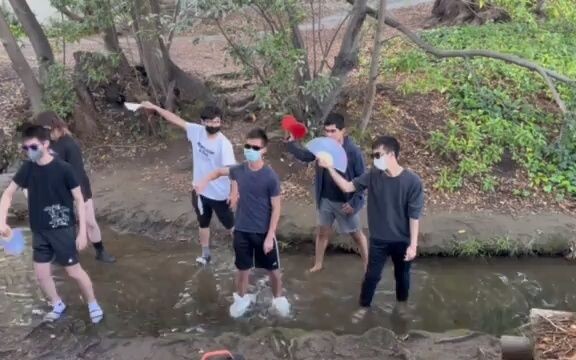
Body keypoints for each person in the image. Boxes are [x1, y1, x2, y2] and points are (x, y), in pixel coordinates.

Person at [0, 125, 104, 323]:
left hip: (63, 228)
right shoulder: (27, 168)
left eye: (33, 147)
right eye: (25, 148)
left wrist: (82, 232)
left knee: (73, 271)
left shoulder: (63, 169)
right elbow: (8, 193)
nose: (28, 152)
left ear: (46, 144)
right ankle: (57, 303)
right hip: (40, 230)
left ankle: (92, 303)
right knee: (41, 274)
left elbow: (79, 200)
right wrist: (2, 220)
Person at [317, 135, 424, 321]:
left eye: (377, 155)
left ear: (391, 155)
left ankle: (402, 306)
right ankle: (364, 307)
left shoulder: (412, 182)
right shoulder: (374, 175)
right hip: (379, 239)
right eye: (373, 155)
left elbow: (414, 216)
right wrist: (330, 168)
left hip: (402, 239)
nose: (374, 159)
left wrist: (413, 245)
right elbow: (348, 187)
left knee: (403, 276)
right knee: (372, 276)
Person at [195, 128, 290, 318]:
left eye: (255, 147)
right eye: (247, 146)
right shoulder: (239, 170)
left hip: (263, 231)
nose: (249, 150)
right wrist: (204, 181)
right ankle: (241, 298)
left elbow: (276, 208)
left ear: (264, 150)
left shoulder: (270, 176)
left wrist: (270, 235)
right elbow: (219, 172)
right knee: (242, 268)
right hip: (242, 230)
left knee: (273, 270)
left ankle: (278, 298)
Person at [139, 102, 236, 265]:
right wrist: (155, 108)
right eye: (210, 121)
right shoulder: (196, 131)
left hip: (220, 194)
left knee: (231, 226)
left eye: (217, 121)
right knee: (203, 223)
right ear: (202, 122)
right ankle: (205, 255)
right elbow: (175, 119)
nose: (214, 125)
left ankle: (243, 253)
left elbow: (233, 171)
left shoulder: (224, 144)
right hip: (199, 191)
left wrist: (234, 193)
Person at [285, 113, 368, 273]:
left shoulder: (353, 152)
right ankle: (318, 264)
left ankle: (367, 266)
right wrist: (290, 144)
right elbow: (305, 156)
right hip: (325, 199)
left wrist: (354, 203)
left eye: (333, 131)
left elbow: (363, 181)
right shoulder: (321, 146)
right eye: (326, 131)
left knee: (357, 236)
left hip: (345, 202)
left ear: (343, 131)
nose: (329, 135)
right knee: (322, 232)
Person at [35, 111, 116, 263]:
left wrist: (78, 197)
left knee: (90, 221)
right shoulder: (45, 145)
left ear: (56, 127)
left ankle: (100, 250)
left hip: (78, 187)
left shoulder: (69, 144)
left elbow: (77, 173)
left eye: (48, 131)